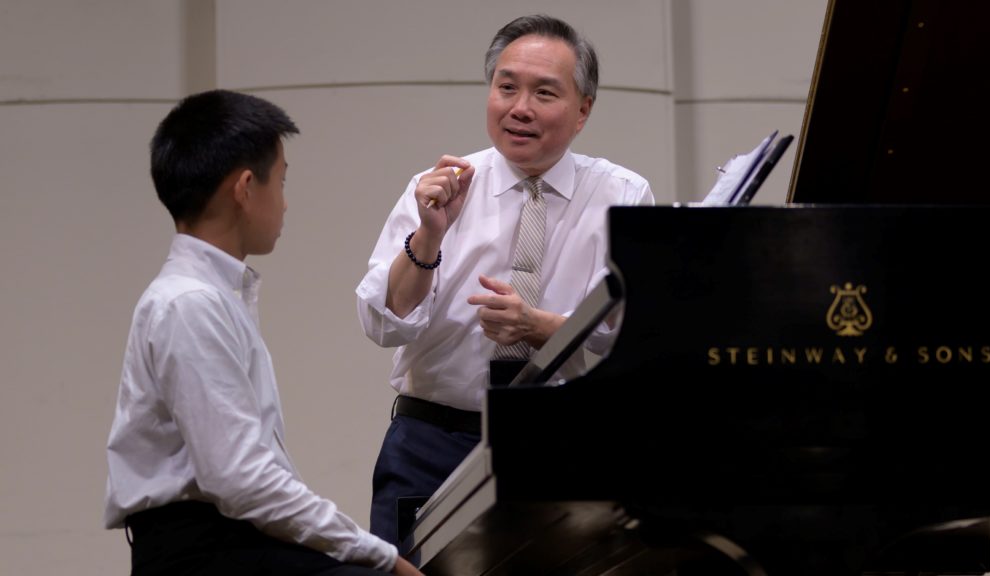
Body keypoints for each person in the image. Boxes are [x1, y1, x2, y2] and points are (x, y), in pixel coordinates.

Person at [356, 15, 655, 544]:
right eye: (507, 87)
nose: (520, 108)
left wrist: (541, 327)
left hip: (563, 445)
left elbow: (638, 345)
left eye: (545, 92)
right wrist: (428, 235)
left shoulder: (623, 197)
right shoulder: (438, 188)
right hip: (431, 442)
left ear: (583, 109)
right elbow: (384, 324)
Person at [104, 89, 422, 576]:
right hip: (206, 551)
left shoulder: (207, 296)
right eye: (282, 182)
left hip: (223, 540)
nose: (287, 203)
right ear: (246, 187)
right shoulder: (190, 304)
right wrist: (382, 555)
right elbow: (242, 481)